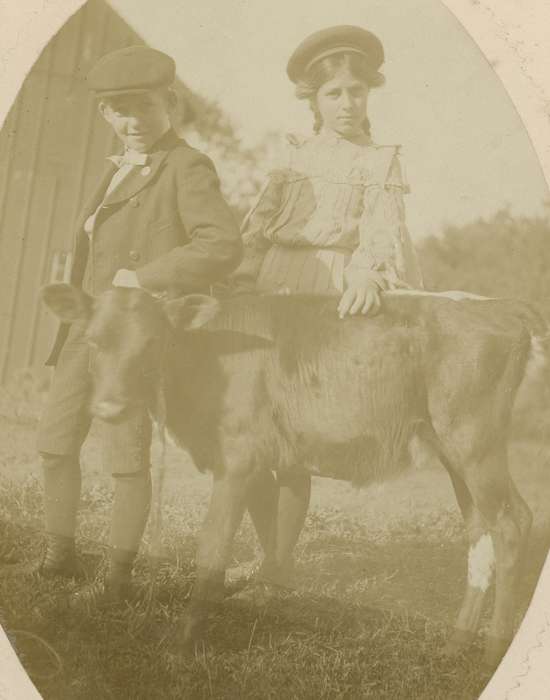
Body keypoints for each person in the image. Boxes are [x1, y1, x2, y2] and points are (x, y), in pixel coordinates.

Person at [6, 45, 242, 606]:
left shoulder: (187, 165)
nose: (132, 121)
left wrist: (147, 276)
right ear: (104, 115)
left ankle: (116, 578)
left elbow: (223, 244)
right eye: (118, 110)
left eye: (143, 107)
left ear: (171, 103)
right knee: (54, 444)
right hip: (89, 330)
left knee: (125, 457)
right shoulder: (114, 170)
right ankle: (58, 556)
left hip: (133, 340)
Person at [230, 26, 423, 593]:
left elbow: (383, 231)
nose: (347, 104)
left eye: (357, 92)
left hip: (332, 289)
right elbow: (258, 228)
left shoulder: (379, 160)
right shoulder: (291, 158)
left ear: (370, 95)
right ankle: (271, 557)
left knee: (292, 436)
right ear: (312, 100)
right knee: (252, 429)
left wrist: (366, 271)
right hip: (273, 287)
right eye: (333, 94)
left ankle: (278, 568)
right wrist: (242, 277)